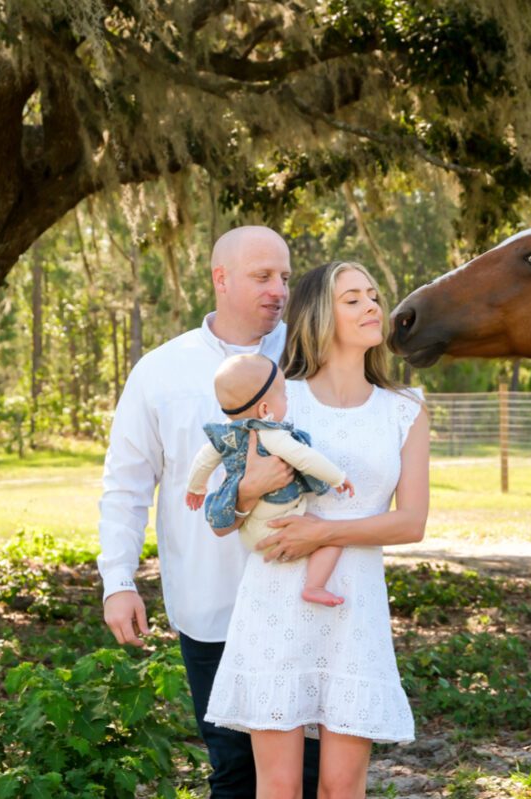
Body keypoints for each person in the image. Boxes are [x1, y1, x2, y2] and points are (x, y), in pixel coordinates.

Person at [97, 226, 321, 798]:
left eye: (286, 278)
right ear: (221, 278)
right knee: (233, 771)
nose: (279, 290)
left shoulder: (311, 362)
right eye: (262, 276)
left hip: (305, 603)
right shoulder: (160, 370)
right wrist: (118, 580)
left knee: (312, 773)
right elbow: (126, 483)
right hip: (211, 605)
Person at [203, 261, 430, 799]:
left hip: (354, 608)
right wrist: (247, 489)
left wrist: (322, 533)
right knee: (277, 787)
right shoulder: (279, 399)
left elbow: (411, 522)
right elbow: (223, 512)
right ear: (318, 314)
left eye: (373, 296)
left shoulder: (405, 409)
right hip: (276, 601)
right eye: (352, 299)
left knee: (339, 789)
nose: (373, 306)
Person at [185, 353, 354, 606]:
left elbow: (203, 460)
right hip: (276, 527)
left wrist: (195, 487)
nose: (287, 400)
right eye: (284, 395)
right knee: (330, 537)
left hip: (248, 530)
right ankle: (314, 586)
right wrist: (337, 477)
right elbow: (304, 457)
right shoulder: (269, 434)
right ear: (265, 409)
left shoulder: (226, 435)